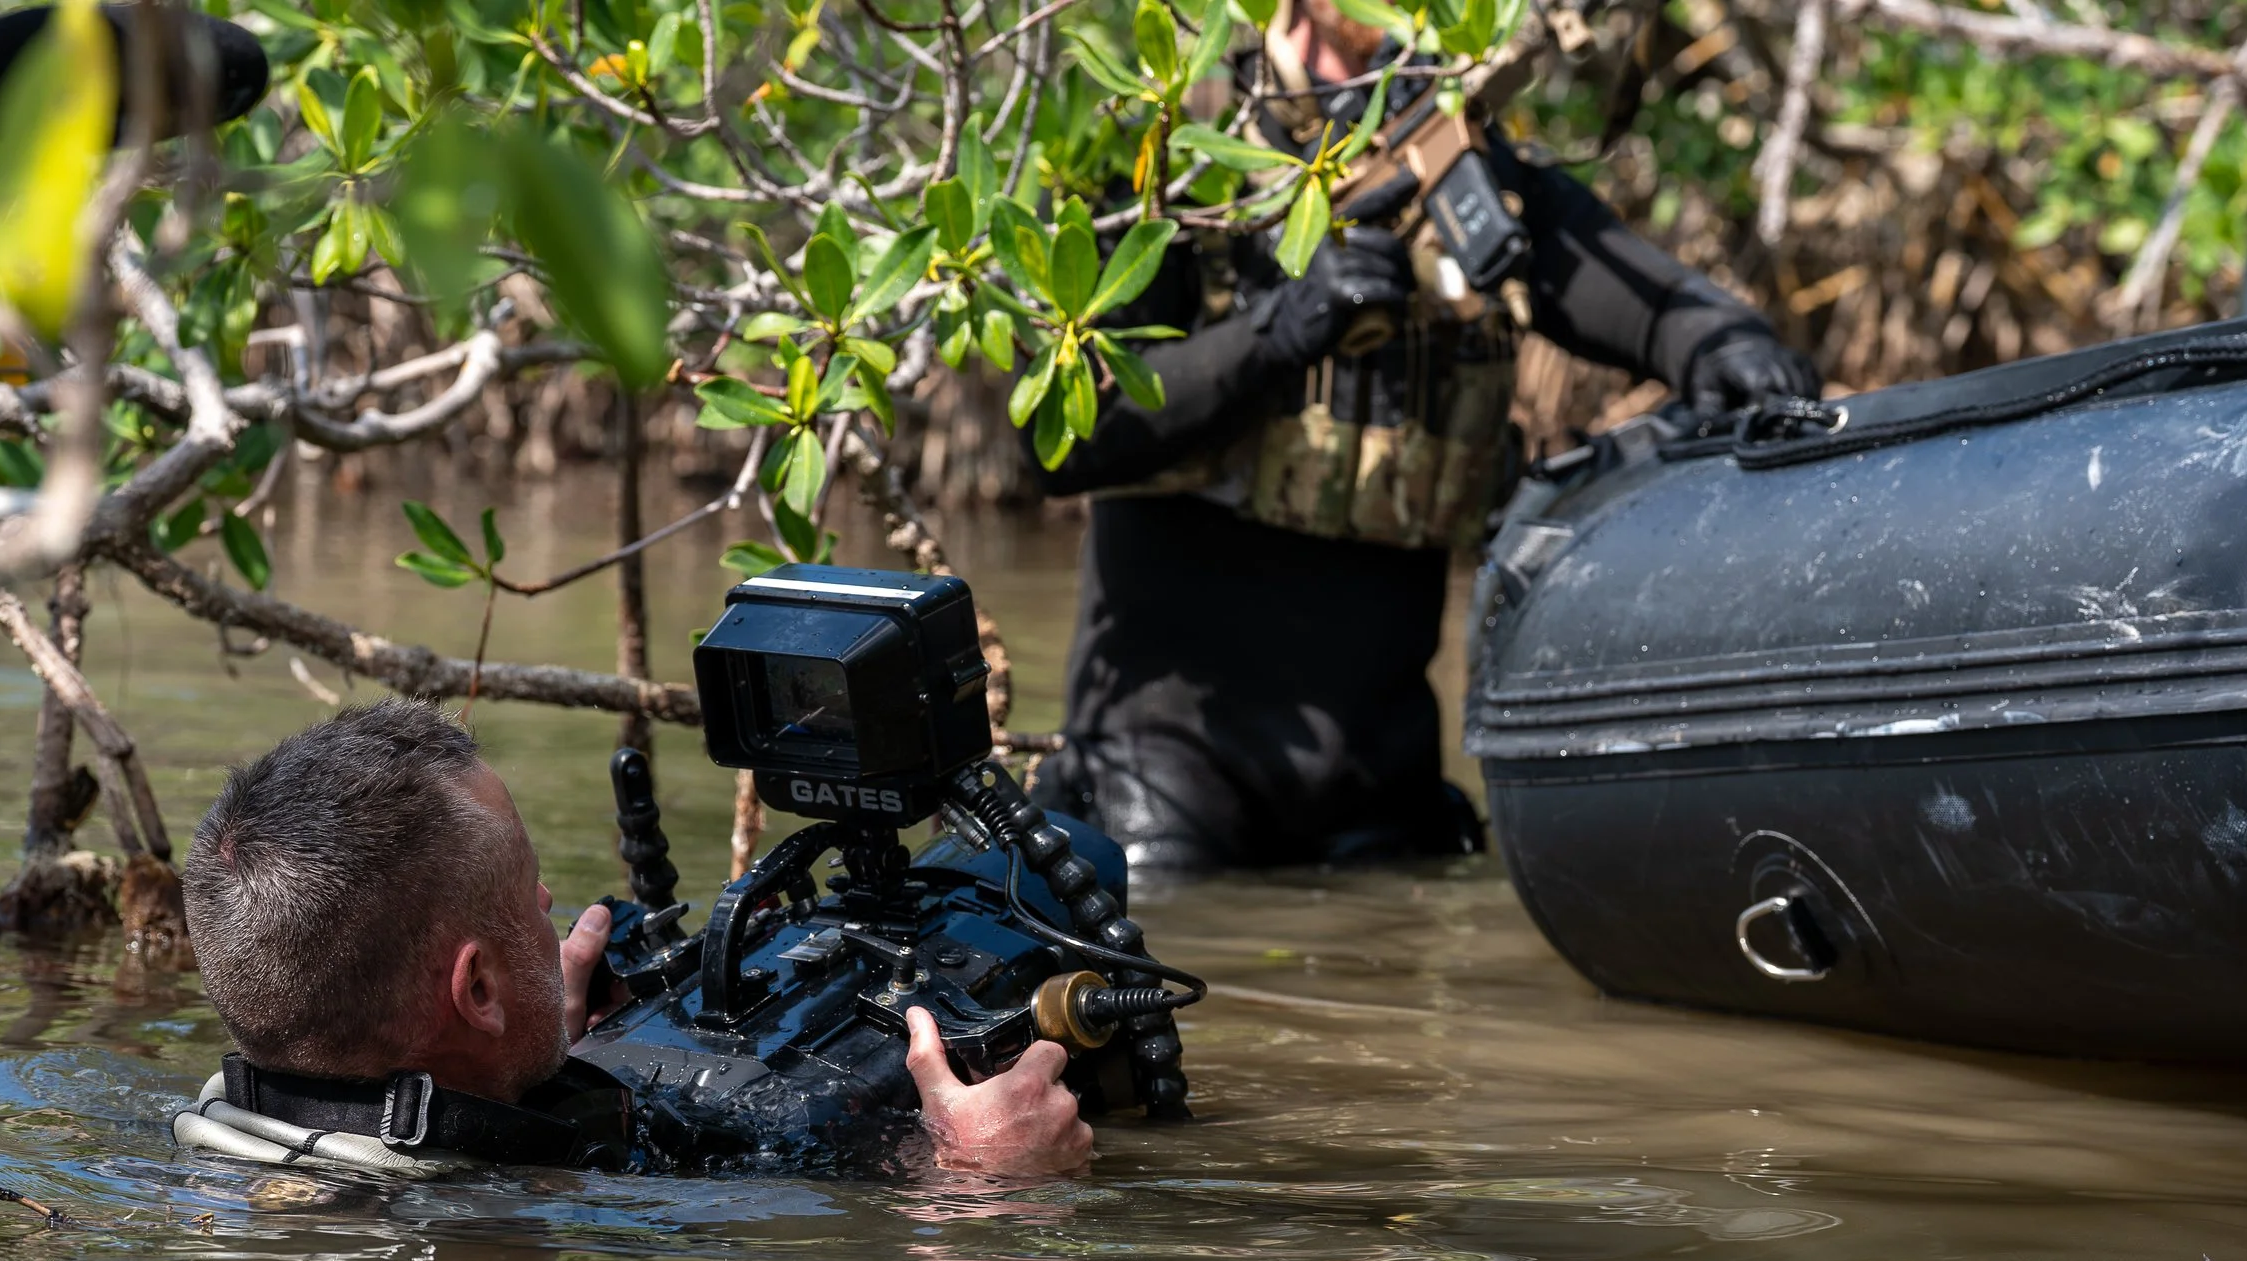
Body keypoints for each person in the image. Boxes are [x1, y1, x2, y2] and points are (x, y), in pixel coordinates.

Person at [1031, 0, 1820, 869]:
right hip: (1171, 768)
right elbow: (1061, 439)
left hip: (1381, 773)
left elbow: (1668, 310)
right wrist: (1279, 332)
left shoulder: (1457, 165)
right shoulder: (1171, 157)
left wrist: (1739, 352)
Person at [173, 700, 1091, 1179]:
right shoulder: (465, 1232)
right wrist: (983, 1189)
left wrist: (526, 1058)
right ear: (476, 993)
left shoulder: (193, 1167)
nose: (546, 902)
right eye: (525, 902)